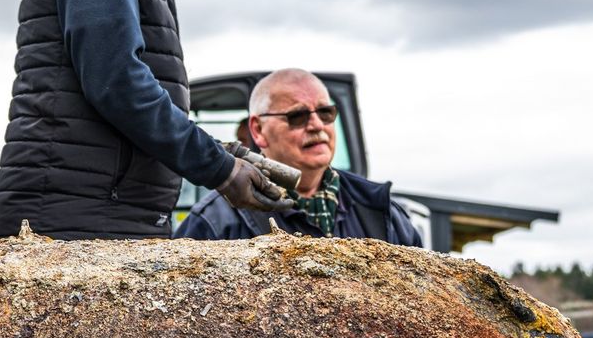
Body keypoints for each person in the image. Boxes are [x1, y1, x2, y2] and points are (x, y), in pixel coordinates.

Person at [0, 0, 291, 241]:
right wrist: (219, 168)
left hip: (103, 209)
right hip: (81, 214)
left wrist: (217, 153)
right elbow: (116, 81)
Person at [175, 68, 422, 246]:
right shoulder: (214, 222)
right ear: (258, 130)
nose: (317, 125)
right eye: (297, 116)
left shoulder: (383, 214)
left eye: (326, 113)